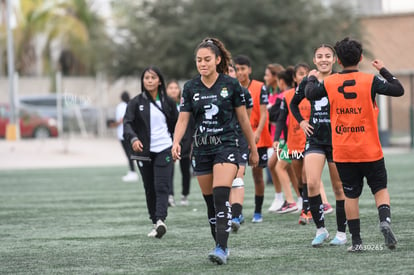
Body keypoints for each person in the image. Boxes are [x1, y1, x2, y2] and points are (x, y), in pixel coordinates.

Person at [305, 37, 404, 252]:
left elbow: (310, 94)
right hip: (369, 148)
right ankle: (384, 219)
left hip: (343, 150)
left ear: (338, 61)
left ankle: (357, 242)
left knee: (351, 195)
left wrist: (311, 79)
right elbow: (398, 89)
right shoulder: (370, 80)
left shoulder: (330, 82)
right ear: (360, 58)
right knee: (380, 189)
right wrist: (384, 70)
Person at [172, 38, 259, 265]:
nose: (202, 63)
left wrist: (253, 148)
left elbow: (243, 119)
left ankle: (220, 248)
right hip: (201, 150)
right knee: (210, 203)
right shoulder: (190, 87)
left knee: (221, 196)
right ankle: (222, 245)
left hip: (226, 146)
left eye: (207, 59)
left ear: (217, 60)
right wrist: (176, 142)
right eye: (199, 60)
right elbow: (183, 121)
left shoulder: (231, 85)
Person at [291, 45, 347, 247]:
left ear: (334, 60)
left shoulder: (340, 79)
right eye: (319, 56)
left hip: (336, 139)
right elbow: (293, 103)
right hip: (315, 139)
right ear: (314, 60)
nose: (323, 59)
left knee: (338, 188)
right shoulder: (309, 80)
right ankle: (321, 229)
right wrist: (302, 122)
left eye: (327, 56)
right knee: (312, 183)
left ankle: (341, 233)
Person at [123, 66, 178, 239]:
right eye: (146, 78)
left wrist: (178, 144)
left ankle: (161, 220)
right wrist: (133, 139)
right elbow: (127, 123)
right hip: (143, 151)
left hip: (165, 148)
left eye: (153, 78)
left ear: (159, 81)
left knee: (162, 186)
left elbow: (178, 124)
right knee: (149, 188)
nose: (149, 81)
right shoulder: (136, 102)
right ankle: (155, 222)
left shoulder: (168, 102)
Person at [234, 55, 273, 223]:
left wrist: (256, 132)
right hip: (237, 139)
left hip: (259, 137)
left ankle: (258, 212)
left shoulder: (260, 87)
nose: (240, 72)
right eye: (237, 69)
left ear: (249, 70)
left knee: (258, 176)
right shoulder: (232, 87)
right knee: (237, 175)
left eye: (243, 69)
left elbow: (264, 113)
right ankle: (237, 212)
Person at [227, 63, 253, 232]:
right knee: (226, 179)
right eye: (225, 71)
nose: (228, 73)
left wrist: (252, 143)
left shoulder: (243, 92)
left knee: (238, 175)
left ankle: (236, 215)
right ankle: (231, 212)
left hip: (240, 140)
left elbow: (246, 120)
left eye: (230, 70)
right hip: (222, 141)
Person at [166, 80, 194, 206]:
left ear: (179, 90)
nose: (173, 90)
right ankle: (170, 195)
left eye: (175, 88)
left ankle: (185, 195)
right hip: (168, 142)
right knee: (168, 169)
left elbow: (191, 125)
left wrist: (191, 143)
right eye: (170, 88)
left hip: (186, 143)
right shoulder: (163, 105)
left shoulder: (186, 105)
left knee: (185, 170)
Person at [264, 63, 286, 213]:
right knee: (278, 168)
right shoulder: (268, 92)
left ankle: (286, 199)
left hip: (283, 137)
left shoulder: (282, 93)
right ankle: (283, 198)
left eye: (267, 75)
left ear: (275, 77)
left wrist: (268, 113)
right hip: (271, 136)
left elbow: (276, 116)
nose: (265, 77)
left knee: (277, 167)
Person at [113, 91, 138, 182]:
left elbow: (122, 119)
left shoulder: (121, 106)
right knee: (132, 153)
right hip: (130, 133)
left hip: (123, 134)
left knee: (129, 154)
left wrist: (114, 124)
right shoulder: (130, 104)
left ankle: (133, 172)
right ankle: (133, 171)